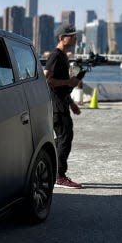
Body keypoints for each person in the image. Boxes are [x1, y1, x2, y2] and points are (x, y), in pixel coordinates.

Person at [44, 23, 83, 189]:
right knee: (64, 138)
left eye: (75, 35)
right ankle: (59, 176)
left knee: (62, 138)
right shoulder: (55, 56)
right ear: (62, 38)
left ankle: (53, 171)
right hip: (56, 106)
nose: (75, 38)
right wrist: (69, 81)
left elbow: (62, 87)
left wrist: (72, 103)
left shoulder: (63, 57)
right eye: (71, 35)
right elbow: (47, 79)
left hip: (61, 103)